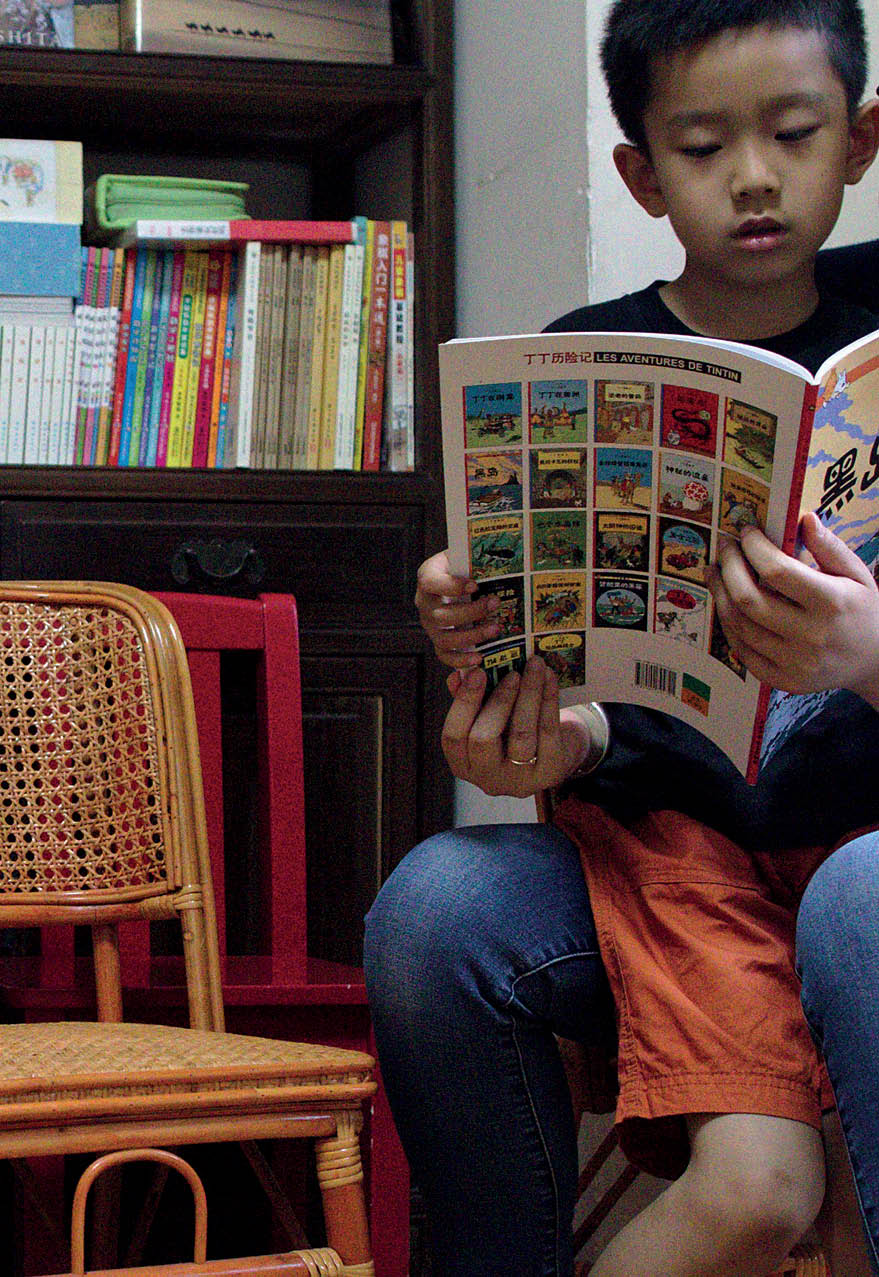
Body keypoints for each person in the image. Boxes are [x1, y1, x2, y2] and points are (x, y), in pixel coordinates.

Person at [363, 2, 879, 1274]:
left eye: (795, 133)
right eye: (703, 149)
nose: (755, 176)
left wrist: (864, 654)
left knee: (824, 1176)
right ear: (641, 176)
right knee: (757, 1183)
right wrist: (524, 702)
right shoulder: (586, 362)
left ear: (861, 141)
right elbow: (589, 682)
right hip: (679, 847)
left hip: (859, 836)